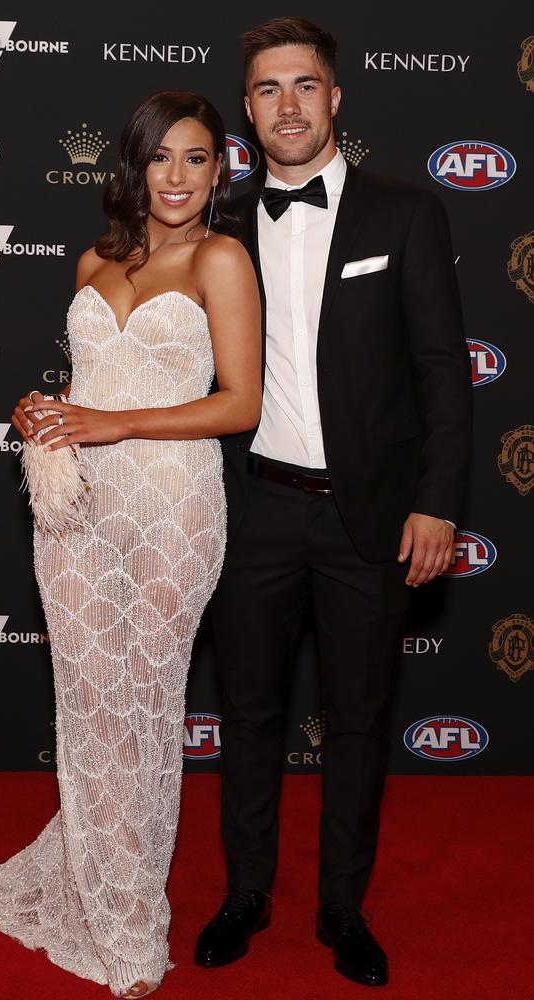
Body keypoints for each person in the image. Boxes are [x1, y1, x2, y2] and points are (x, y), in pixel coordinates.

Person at [0, 91, 261, 999]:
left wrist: (112, 422)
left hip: (175, 506)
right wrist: (45, 411)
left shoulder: (222, 258)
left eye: (196, 159)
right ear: (133, 166)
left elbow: (240, 404)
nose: (177, 176)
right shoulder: (92, 259)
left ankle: (132, 922)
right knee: (91, 699)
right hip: (77, 507)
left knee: (145, 702)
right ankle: (98, 891)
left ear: (218, 171)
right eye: (160, 157)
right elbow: (87, 383)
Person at [195, 17, 473, 988]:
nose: (286, 105)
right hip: (250, 512)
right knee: (248, 714)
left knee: (356, 720)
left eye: (304, 86)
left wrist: (437, 503)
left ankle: (341, 908)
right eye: (267, 89)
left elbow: (443, 374)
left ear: (335, 99)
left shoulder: (404, 213)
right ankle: (244, 894)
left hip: (371, 520)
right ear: (247, 107)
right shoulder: (217, 222)